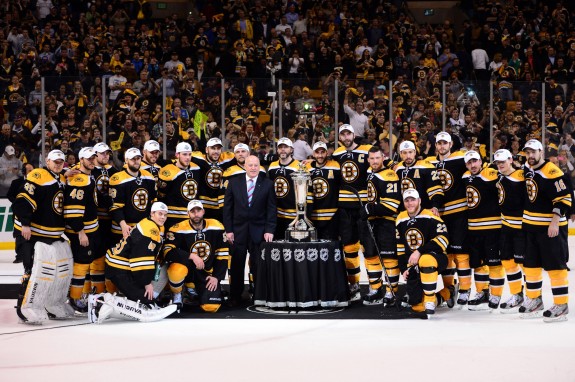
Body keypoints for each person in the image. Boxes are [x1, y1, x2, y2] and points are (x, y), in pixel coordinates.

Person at [13, 149, 75, 324]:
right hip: (32, 233)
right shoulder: (38, 175)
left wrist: (64, 172)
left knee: (59, 271)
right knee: (33, 270)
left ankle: (53, 303)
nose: (58, 164)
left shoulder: (61, 177)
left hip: (51, 235)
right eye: (55, 161)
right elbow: (22, 200)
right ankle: (24, 308)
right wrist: (25, 224)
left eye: (61, 162)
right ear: (47, 161)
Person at [91, 202, 177, 323]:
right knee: (144, 299)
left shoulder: (150, 224)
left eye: (165, 215)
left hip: (121, 266)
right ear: (152, 214)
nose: (163, 217)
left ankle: (118, 301)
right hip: (119, 268)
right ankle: (102, 301)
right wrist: (146, 283)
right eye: (160, 214)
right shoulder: (150, 229)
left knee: (145, 297)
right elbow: (140, 258)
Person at [521, 139, 570, 322]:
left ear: (541, 152)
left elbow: (564, 198)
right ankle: (534, 300)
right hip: (531, 227)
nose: (530, 156)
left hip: (550, 229)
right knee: (530, 266)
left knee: (555, 267)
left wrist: (555, 222)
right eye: (528, 153)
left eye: (533, 152)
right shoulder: (528, 169)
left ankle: (561, 305)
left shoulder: (552, 172)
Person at [223, 155, 276, 307]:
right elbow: (228, 209)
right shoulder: (234, 183)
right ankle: (235, 296)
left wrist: (269, 229)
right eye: (250, 165)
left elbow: (271, 209)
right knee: (237, 265)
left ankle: (258, 294)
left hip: (259, 232)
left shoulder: (267, 184)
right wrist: (229, 230)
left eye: (256, 165)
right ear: (245, 166)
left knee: (258, 265)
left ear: (260, 166)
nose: (253, 168)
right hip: (238, 231)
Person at [426, 132, 469, 308]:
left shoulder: (461, 158)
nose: (442, 146)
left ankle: (465, 290)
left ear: (451, 144)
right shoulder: (429, 163)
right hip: (439, 216)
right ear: (435, 145)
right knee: (446, 253)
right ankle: (450, 288)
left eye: (445, 143)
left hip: (459, 213)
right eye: (439, 143)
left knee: (461, 253)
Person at [163, 200, 229, 312]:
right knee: (176, 270)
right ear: (187, 213)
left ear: (203, 211)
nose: (196, 214)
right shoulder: (177, 228)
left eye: (198, 210)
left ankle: (196, 291)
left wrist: (217, 277)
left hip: (207, 273)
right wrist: (191, 256)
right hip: (188, 270)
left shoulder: (216, 226)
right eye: (192, 211)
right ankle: (177, 293)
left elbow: (222, 254)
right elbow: (167, 252)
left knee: (211, 307)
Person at [332, 124, 372, 301]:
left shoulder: (367, 150)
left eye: (349, 134)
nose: (346, 137)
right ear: (340, 137)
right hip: (345, 208)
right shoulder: (336, 154)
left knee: (369, 247)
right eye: (343, 134)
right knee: (349, 247)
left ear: (354, 135)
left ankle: (375, 284)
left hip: (364, 206)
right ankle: (354, 283)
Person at [462, 150, 504, 310]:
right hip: (473, 228)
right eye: (469, 163)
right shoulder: (465, 177)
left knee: (494, 263)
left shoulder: (492, 173)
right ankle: (482, 292)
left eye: (475, 161)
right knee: (478, 264)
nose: (472, 165)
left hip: (493, 227)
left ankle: (496, 294)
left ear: (481, 161)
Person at [396, 188, 449, 315]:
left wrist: (419, 251)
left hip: (436, 259)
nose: (410, 203)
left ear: (419, 201)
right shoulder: (400, 218)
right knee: (417, 305)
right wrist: (404, 269)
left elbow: (444, 239)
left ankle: (430, 300)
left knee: (425, 259)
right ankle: (447, 293)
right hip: (414, 264)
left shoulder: (430, 216)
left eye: (413, 200)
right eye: (407, 200)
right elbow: (400, 247)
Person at [359, 146, 401, 305]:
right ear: (368, 159)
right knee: (370, 256)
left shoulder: (390, 175)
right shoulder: (370, 171)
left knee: (389, 257)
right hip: (372, 220)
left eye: (378, 158)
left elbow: (392, 205)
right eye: (372, 158)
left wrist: (369, 209)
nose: (375, 161)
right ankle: (375, 288)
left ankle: (392, 291)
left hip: (386, 221)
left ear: (383, 158)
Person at [64, 147, 100, 313]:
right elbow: (72, 212)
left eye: (94, 157)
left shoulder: (87, 176)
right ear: (81, 160)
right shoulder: (79, 179)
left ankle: (77, 295)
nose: (92, 160)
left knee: (84, 264)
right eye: (89, 158)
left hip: (90, 230)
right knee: (81, 265)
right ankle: (75, 298)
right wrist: (81, 232)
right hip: (82, 232)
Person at [493, 149, 525, 313]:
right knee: (507, 261)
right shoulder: (499, 177)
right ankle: (516, 295)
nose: (500, 165)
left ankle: (534, 297)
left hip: (522, 227)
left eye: (503, 162)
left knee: (526, 264)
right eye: (497, 163)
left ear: (510, 160)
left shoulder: (522, 176)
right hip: (506, 226)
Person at [109, 148, 157, 244]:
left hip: (144, 227)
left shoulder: (149, 177)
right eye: (133, 159)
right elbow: (115, 207)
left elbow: (153, 202)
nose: (136, 161)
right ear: (126, 160)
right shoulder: (117, 179)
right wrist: (123, 225)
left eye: (138, 158)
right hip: (123, 229)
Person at [268, 137, 310, 238]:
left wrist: (302, 216)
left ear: (291, 150)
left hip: (293, 215)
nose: (282, 149)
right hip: (276, 215)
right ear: (277, 150)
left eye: (285, 147)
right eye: (280, 147)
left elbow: (305, 193)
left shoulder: (300, 167)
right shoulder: (272, 166)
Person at [158, 142, 203, 230]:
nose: (187, 158)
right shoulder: (168, 171)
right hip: (173, 217)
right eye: (184, 154)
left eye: (189, 154)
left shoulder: (196, 168)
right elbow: (161, 196)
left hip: (192, 216)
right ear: (177, 155)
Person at [192, 137, 235, 221]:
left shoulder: (226, 159)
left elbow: (243, 157)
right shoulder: (199, 159)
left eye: (218, 148)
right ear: (206, 150)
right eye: (213, 148)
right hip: (204, 205)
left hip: (220, 205)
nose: (216, 151)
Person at [395, 140, 444, 213]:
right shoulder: (398, 169)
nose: (408, 156)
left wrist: (435, 206)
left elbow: (436, 190)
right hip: (404, 213)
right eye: (405, 153)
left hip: (424, 211)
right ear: (400, 154)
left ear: (415, 152)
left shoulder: (426, 167)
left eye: (410, 152)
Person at [306, 141, 340, 240]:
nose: (320, 155)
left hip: (332, 214)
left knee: (332, 246)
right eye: (317, 152)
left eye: (322, 152)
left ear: (327, 153)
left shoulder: (335, 165)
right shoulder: (306, 168)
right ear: (313, 154)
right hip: (313, 215)